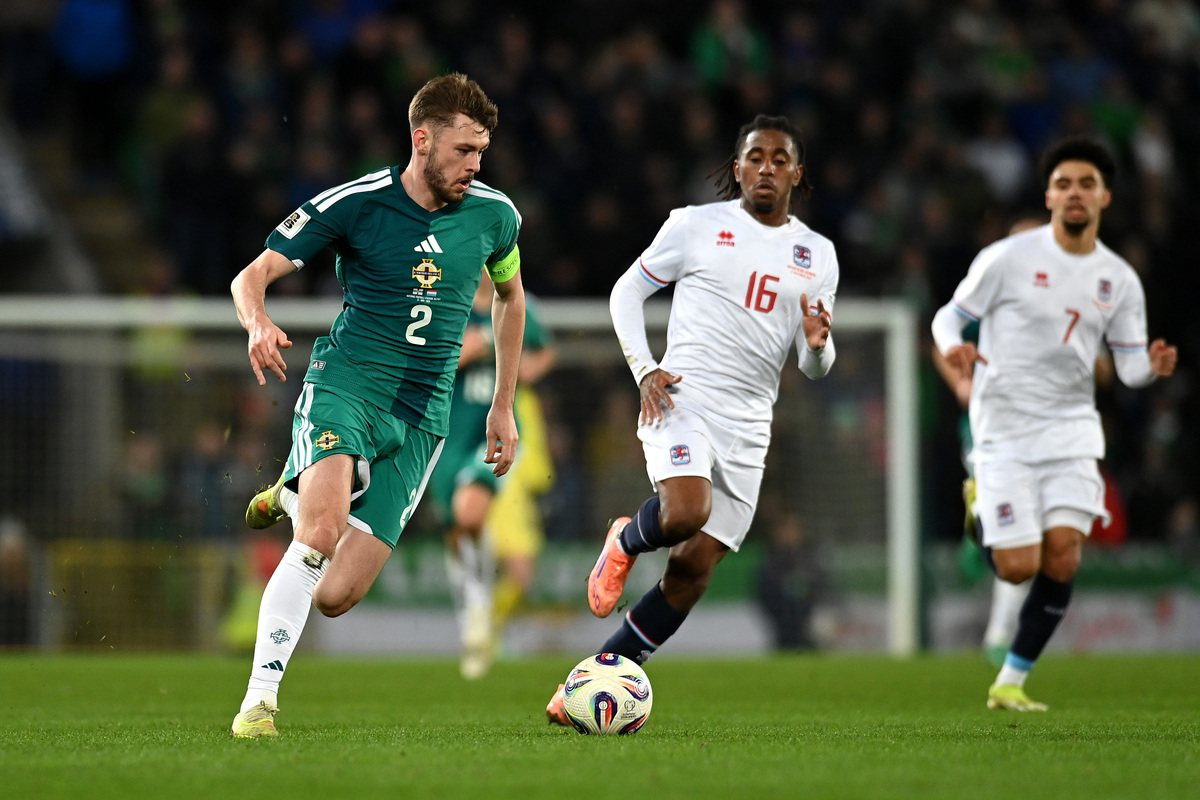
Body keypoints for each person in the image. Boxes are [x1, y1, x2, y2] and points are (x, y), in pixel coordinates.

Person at [228, 73, 525, 738]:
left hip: (423, 420)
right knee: (321, 535)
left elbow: (512, 299)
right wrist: (257, 322)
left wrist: (501, 405)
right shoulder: (358, 202)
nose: (474, 165)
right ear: (422, 141)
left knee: (335, 595)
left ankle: (289, 491)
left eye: (482, 152)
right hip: (348, 387)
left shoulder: (495, 215)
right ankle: (258, 704)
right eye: (462, 151)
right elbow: (251, 276)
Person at [545, 113, 838, 725]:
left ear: (797, 174)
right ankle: (625, 539)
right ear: (736, 169)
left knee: (693, 570)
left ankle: (587, 684)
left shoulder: (818, 256)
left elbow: (816, 365)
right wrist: (644, 369)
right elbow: (625, 292)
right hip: (684, 401)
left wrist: (815, 343)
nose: (765, 168)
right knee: (685, 512)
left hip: (750, 428)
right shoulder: (695, 226)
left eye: (779, 159)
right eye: (754, 156)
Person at [931, 138, 1177, 712]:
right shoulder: (1007, 258)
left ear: (1104, 197)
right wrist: (953, 349)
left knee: (1064, 554)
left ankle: (1010, 681)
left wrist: (1151, 369)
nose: (1074, 193)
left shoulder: (1118, 279)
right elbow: (949, 317)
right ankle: (979, 508)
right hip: (1005, 430)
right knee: (1018, 569)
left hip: (1070, 430)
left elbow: (1130, 365)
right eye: (1064, 183)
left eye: (1086, 184)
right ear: (1048, 195)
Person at [428, 275, 556, 679]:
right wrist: (479, 343)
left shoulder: (513, 300)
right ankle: (473, 614)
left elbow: (543, 350)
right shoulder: (447, 300)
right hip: (444, 433)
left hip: (494, 429)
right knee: (455, 529)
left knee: (470, 515)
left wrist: (518, 369)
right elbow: (438, 357)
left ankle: (481, 611)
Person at [933, 215, 1042, 668]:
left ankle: (999, 634)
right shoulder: (990, 296)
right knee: (1011, 515)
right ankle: (978, 510)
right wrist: (961, 381)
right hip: (989, 420)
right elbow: (941, 340)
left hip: (1041, 425)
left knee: (1028, 529)